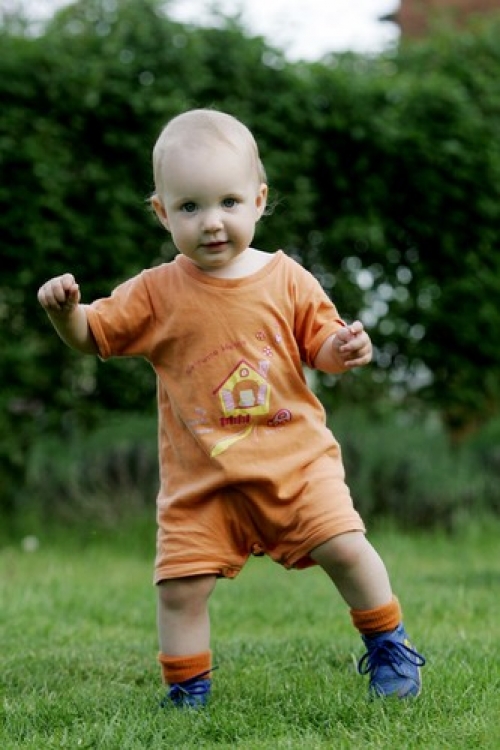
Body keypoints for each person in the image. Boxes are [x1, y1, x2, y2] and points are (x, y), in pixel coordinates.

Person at [37, 108, 425, 708]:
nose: (212, 222)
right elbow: (94, 335)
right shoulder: (156, 292)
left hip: (296, 465)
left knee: (346, 547)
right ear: (163, 213)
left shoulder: (287, 278)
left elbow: (321, 346)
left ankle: (389, 645)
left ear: (259, 200)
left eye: (228, 202)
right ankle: (187, 690)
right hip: (202, 480)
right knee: (179, 589)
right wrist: (66, 315)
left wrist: (345, 348)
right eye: (190, 207)